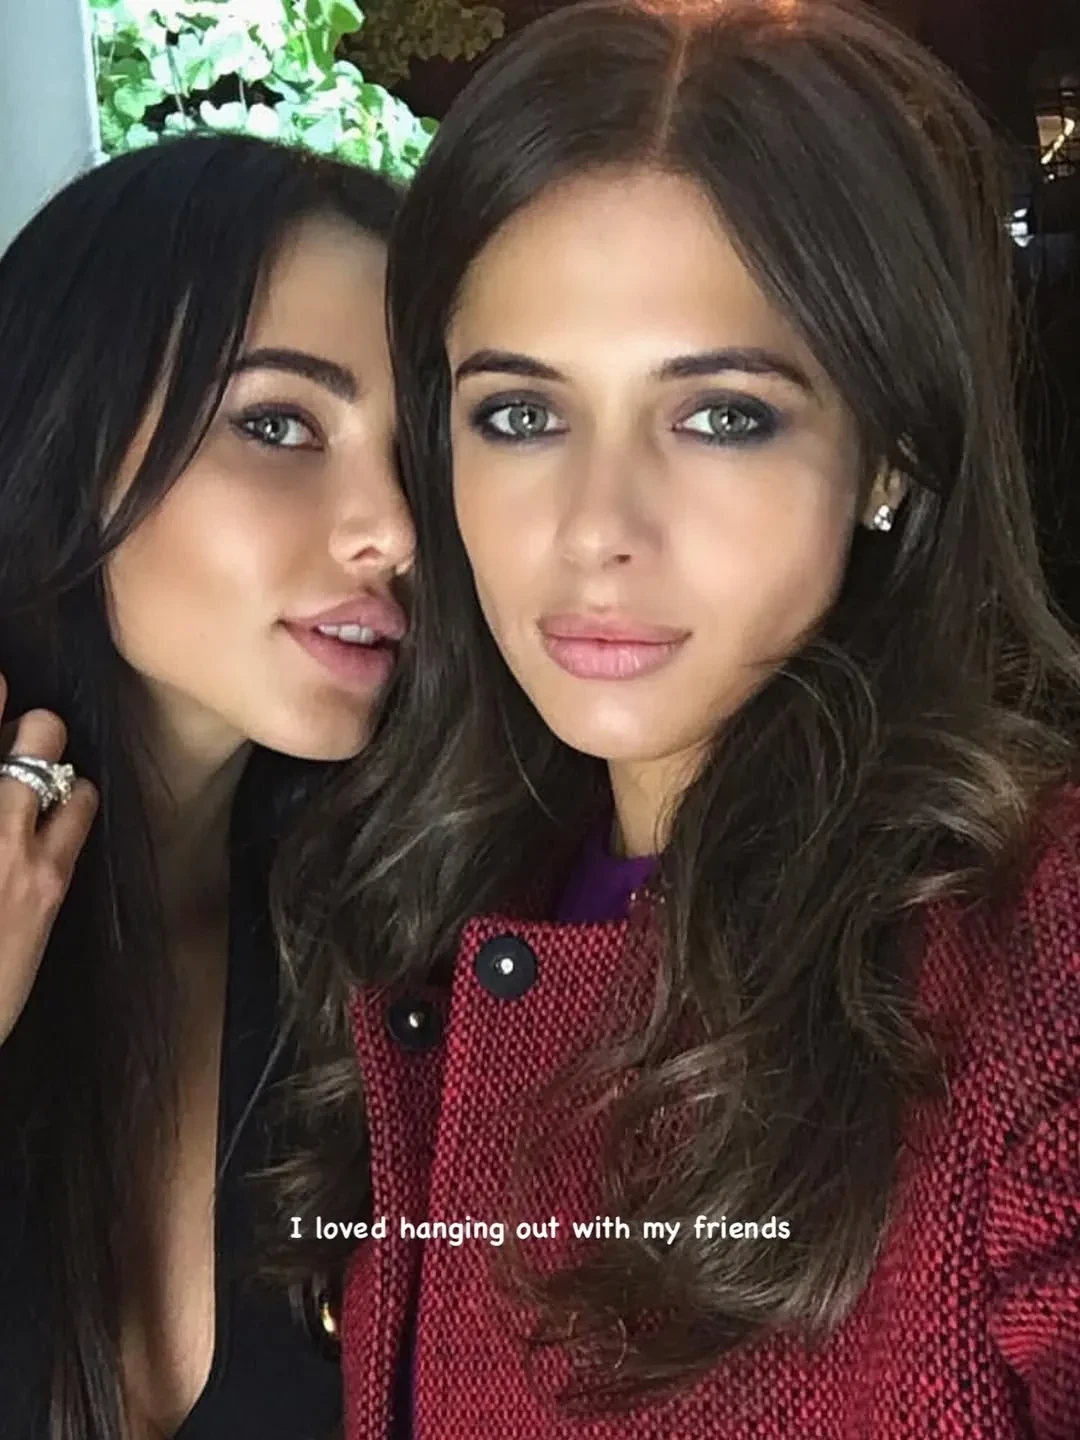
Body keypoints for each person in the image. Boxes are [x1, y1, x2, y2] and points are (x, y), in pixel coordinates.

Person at [273, 0, 1080, 1436]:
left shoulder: (1030, 944)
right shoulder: (435, 893)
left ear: (889, 454)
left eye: (723, 416)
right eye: (522, 415)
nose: (598, 528)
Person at [0, 134, 414, 1440]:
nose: (393, 530)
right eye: (278, 425)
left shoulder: (401, 958)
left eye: (425, 455)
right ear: (67, 429)